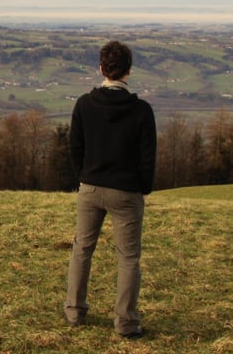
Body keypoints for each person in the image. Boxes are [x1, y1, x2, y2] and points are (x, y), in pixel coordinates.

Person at [65, 40, 156, 339]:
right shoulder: (141, 111)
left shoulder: (84, 104)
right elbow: (147, 157)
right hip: (126, 192)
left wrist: (83, 177)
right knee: (128, 257)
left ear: (101, 68)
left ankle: (74, 312)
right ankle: (126, 323)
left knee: (82, 250)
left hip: (90, 188)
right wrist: (143, 188)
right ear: (128, 71)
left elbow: (74, 148)